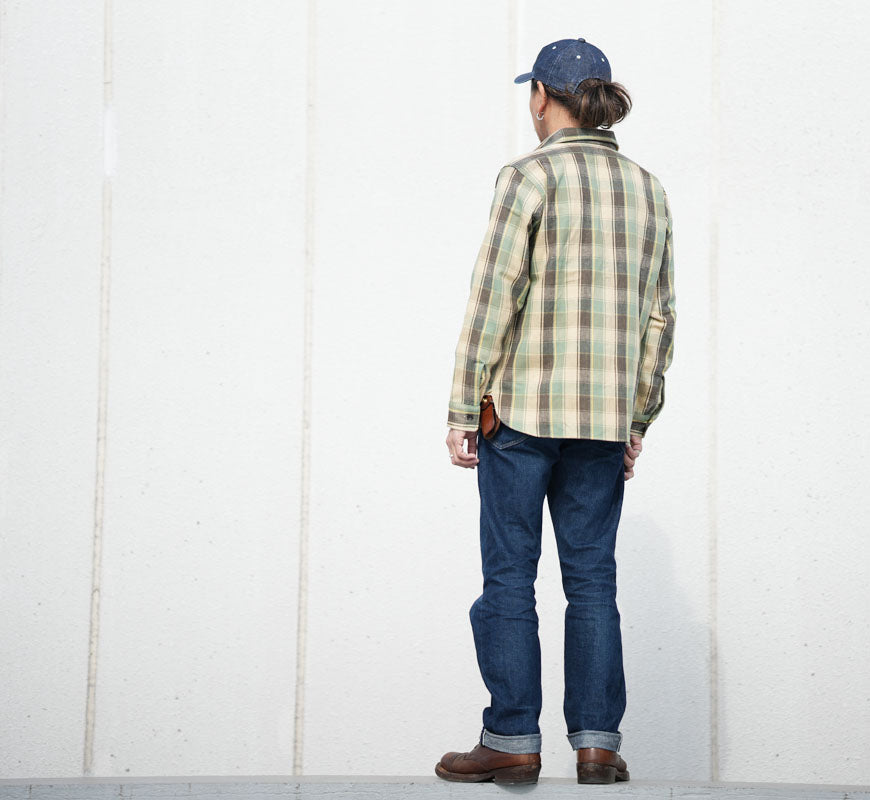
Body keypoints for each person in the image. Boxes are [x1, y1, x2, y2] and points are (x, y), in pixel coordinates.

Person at [435, 37, 676, 785]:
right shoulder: (648, 188)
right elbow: (660, 319)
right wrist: (637, 419)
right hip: (602, 424)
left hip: (522, 416)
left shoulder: (528, 176)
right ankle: (597, 745)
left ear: (541, 95)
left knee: (510, 578)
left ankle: (512, 739)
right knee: (593, 581)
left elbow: (494, 295)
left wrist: (462, 405)